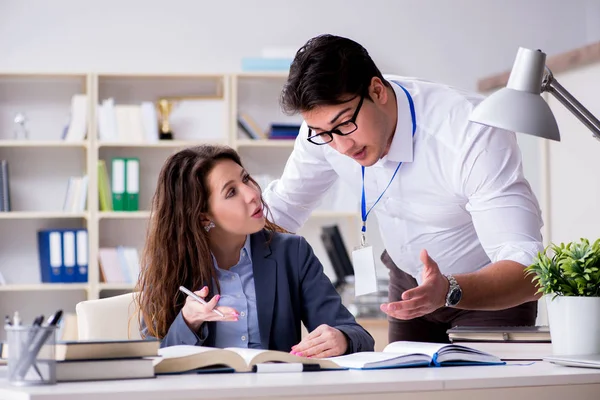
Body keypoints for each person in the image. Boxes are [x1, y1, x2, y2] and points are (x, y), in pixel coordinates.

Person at [262, 34, 544, 344]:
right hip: (408, 283)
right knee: (402, 387)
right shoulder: (324, 128)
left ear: (377, 90)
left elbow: (528, 268)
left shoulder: (470, 132)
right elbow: (282, 210)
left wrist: (448, 289)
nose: (340, 146)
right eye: (323, 133)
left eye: (345, 125)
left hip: (486, 293)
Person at [136, 144, 374, 357]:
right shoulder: (170, 265)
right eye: (231, 192)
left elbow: (358, 335)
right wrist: (188, 321)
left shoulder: (292, 253)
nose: (253, 194)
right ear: (202, 216)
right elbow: (151, 358)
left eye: (246, 179)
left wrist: (341, 339)